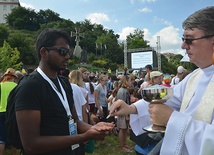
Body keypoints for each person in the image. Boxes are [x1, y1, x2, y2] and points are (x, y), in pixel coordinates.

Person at [109, 6, 214, 155]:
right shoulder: (195, 76)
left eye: (189, 40)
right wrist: (131, 108)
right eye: (183, 39)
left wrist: (172, 120)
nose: (183, 46)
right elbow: (168, 97)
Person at [14, 28, 114, 155]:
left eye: (68, 52)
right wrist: (84, 137)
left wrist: (93, 128)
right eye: (62, 52)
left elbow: (73, 121)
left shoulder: (64, 83)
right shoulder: (30, 86)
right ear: (44, 52)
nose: (67, 56)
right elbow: (31, 144)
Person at [0, 68, 18, 155]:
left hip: (0, 112)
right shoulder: (16, 86)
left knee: (1, 137)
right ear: (13, 77)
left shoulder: (0, 85)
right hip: (11, 113)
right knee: (13, 134)